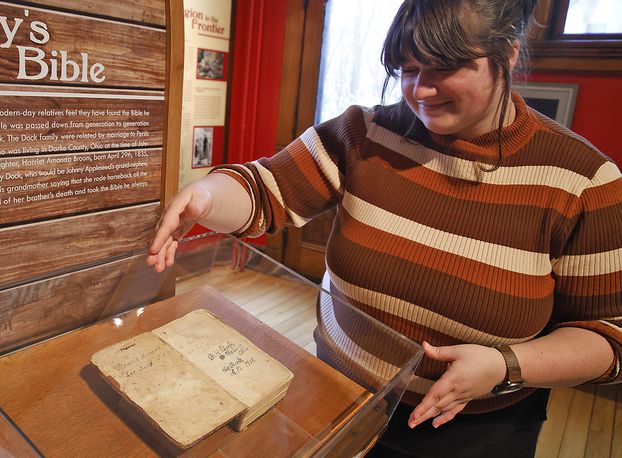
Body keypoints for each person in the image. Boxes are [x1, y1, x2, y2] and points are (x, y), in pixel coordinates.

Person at [147, 0, 622, 456]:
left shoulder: (583, 182)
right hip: (336, 394)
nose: (420, 91)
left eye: (444, 68)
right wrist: (206, 196)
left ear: (509, 53)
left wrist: (505, 365)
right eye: (408, 70)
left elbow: (607, 335)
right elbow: (267, 189)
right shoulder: (365, 133)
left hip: (469, 432)